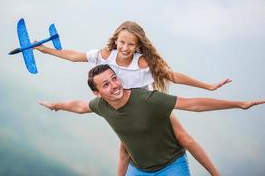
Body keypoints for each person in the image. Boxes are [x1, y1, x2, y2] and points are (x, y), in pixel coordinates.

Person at [35, 21, 231, 175]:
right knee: (125, 149)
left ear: (138, 46)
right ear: (115, 41)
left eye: (131, 44)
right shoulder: (106, 55)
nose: (125, 48)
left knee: (183, 138)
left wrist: (207, 86)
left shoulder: (142, 62)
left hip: (149, 107)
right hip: (124, 109)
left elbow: (173, 76)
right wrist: (46, 50)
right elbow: (73, 56)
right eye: (122, 42)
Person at [39, 64, 265, 176]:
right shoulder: (101, 106)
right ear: (97, 93)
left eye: (114, 79)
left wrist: (239, 104)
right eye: (105, 85)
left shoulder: (147, 99)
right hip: (138, 170)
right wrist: (57, 105)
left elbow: (193, 104)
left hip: (172, 167)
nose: (114, 86)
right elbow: (78, 106)